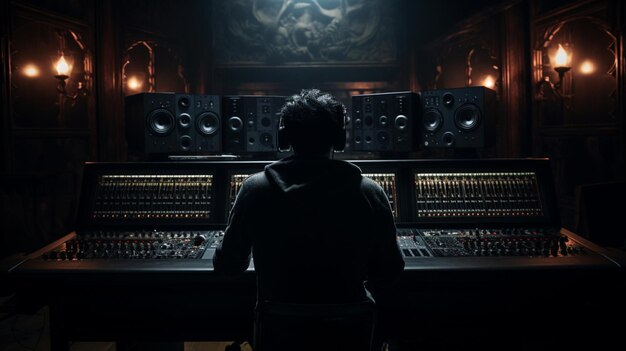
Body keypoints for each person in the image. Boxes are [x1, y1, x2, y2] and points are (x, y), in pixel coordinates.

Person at [213, 88, 404, 347]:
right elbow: (390, 269)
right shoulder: (369, 192)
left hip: (279, 334)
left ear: (283, 136)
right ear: (338, 139)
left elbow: (229, 265)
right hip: (349, 336)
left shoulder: (255, 189)